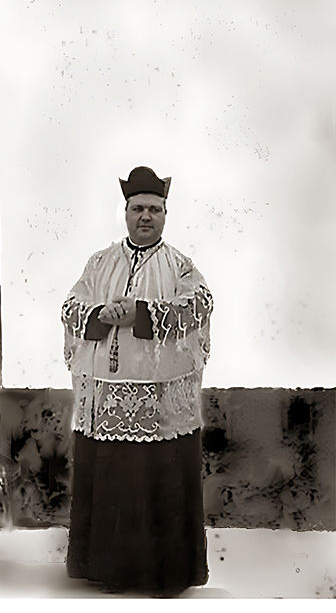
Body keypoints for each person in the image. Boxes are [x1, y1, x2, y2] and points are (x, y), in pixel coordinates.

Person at [61, 166, 213, 597]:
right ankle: (111, 572)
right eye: (137, 208)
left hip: (160, 401)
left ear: (165, 215)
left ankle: (163, 576)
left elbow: (198, 307)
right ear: (125, 213)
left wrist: (140, 313)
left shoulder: (180, 265)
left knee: (156, 482)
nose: (145, 216)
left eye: (154, 209)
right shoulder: (100, 262)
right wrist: (97, 315)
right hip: (107, 395)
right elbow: (72, 304)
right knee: (113, 482)